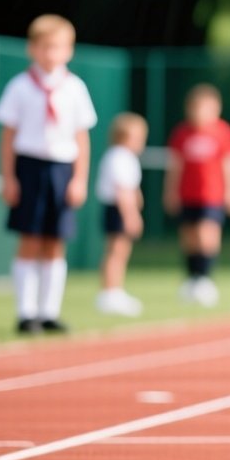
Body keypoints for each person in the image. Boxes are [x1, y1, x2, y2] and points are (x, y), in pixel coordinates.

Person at [0, 14, 98, 334]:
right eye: (45, 47)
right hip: (29, 166)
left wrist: (79, 179)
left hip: (62, 169)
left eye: (58, 47)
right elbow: (8, 135)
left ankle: (49, 311)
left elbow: (82, 138)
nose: (51, 54)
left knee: (55, 241)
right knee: (30, 238)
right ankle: (26, 313)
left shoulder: (75, 88)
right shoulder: (21, 86)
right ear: (32, 49)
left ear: (69, 51)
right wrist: (9, 177)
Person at [164, 84, 230, 307]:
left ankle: (205, 278)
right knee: (189, 236)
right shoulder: (182, 133)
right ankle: (192, 278)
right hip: (187, 194)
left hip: (212, 195)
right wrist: (170, 192)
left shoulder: (223, 133)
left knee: (207, 234)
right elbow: (175, 166)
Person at [95, 112, 147, 317]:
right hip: (117, 209)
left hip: (119, 209)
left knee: (120, 252)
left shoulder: (124, 157)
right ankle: (110, 292)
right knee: (116, 252)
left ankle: (115, 290)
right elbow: (123, 190)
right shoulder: (120, 156)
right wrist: (131, 215)